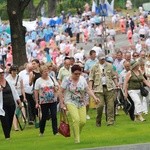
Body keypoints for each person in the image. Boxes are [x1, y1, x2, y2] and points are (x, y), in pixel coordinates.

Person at [59, 64, 99, 143]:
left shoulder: (82, 79)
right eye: (75, 74)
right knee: (76, 119)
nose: (77, 75)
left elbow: (87, 89)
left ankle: (77, 133)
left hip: (81, 101)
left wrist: (94, 97)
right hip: (70, 101)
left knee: (83, 121)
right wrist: (62, 103)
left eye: (79, 73)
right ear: (72, 73)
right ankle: (77, 139)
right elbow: (60, 91)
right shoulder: (66, 80)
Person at [89, 53, 119, 127]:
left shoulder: (110, 66)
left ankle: (110, 122)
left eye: (103, 58)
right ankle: (98, 121)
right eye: (101, 58)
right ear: (98, 59)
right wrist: (90, 88)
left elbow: (114, 76)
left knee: (110, 106)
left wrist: (116, 84)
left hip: (109, 88)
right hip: (98, 89)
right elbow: (91, 78)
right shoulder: (94, 67)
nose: (103, 60)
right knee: (100, 106)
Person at [34, 65, 59, 136]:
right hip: (43, 101)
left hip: (53, 100)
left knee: (54, 115)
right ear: (41, 73)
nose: (46, 73)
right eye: (44, 71)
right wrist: (37, 102)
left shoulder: (52, 78)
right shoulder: (38, 81)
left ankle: (55, 131)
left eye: (47, 71)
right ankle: (41, 131)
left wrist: (56, 88)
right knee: (44, 116)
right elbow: (36, 91)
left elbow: (57, 86)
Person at [0, 68, 20, 139]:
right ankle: (7, 136)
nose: (1, 74)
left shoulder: (8, 81)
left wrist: (18, 101)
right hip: (2, 106)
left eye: (2, 73)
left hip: (11, 104)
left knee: (10, 120)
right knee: (4, 120)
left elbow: (14, 91)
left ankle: (7, 133)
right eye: (0, 73)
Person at [6, 65, 26, 131]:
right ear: (10, 71)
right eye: (13, 71)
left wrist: (24, 96)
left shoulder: (19, 77)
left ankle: (23, 119)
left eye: (15, 70)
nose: (14, 72)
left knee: (21, 108)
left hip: (19, 95)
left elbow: (22, 87)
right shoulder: (7, 79)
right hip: (12, 97)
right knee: (15, 111)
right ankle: (15, 127)